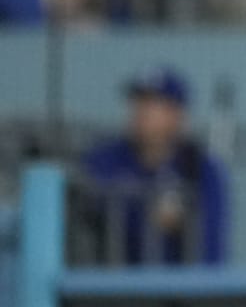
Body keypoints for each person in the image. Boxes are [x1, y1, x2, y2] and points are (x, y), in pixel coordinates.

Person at [79, 67, 228, 265]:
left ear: (176, 114)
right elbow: (90, 213)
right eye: (138, 102)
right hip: (113, 287)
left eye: (153, 104)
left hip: (179, 289)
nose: (142, 112)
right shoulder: (106, 158)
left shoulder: (198, 166)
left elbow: (210, 241)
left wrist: (183, 221)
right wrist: (146, 213)